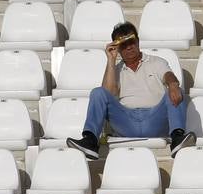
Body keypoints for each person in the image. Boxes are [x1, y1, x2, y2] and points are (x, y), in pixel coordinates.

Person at [66, 21, 195, 160]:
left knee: (176, 88)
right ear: (118, 48)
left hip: (154, 118)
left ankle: (177, 138)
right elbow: (107, 94)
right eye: (123, 45)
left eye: (131, 42)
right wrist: (111, 59)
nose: (129, 47)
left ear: (138, 41)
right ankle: (90, 141)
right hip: (127, 121)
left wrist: (173, 84)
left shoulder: (156, 61)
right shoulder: (115, 70)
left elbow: (168, 75)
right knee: (97, 92)